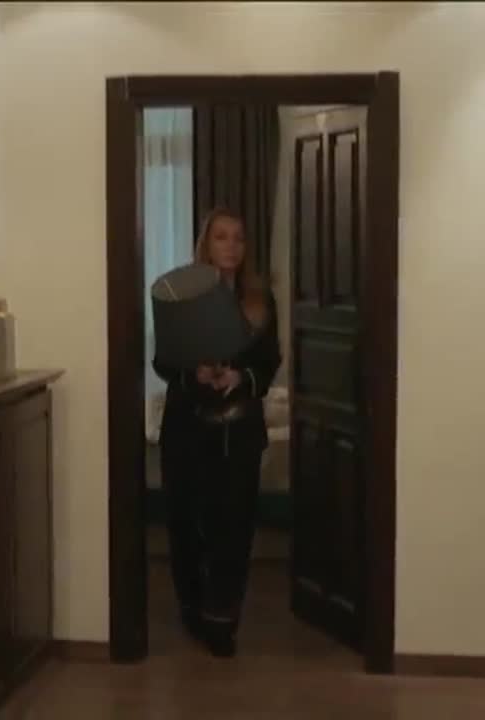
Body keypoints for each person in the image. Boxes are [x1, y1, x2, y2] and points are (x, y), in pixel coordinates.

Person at [152, 206, 282, 657]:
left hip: (238, 429)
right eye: (221, 237)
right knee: (186, 524)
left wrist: (241, 377)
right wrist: (195, 374)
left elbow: (270, 361)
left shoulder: (260, 300)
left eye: (238, 237)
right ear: (206, 244)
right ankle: (191, 608)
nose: (231, 246)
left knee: (234, 527)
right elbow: (162, 360)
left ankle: (222, 621)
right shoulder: (182, 295)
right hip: (187, 428)